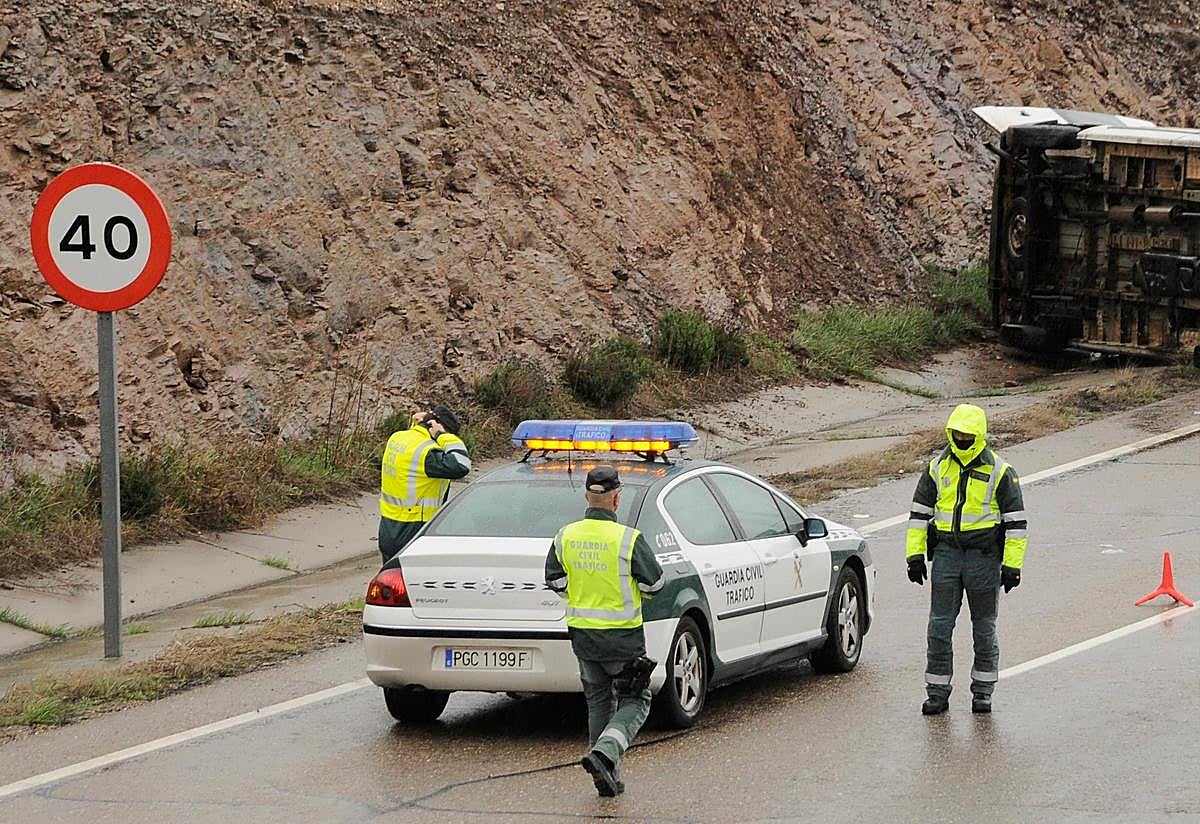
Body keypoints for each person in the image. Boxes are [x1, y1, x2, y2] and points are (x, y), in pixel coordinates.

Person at [544, 466, 665, 797]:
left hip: (583, 638)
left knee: (598, 702)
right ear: (617, 498)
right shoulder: (628, 539)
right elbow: (655, 583)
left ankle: (606, 773)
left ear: (586, 496)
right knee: (637, 700)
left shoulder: (565, 536)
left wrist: (581, 594)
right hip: (622, 638)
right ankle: (605, 754)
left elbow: (554, 579)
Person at [905, 403, 1027, 715]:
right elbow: (919, 515)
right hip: (946, 556)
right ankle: (937, 692)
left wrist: (1012, 565)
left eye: (967, 434)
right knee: (939, 628)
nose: (961, 438)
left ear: (979, 435)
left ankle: (983, 693)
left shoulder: (1000, 471)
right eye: (956, 432)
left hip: (984, 559)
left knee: (983, 629)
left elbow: (1016, 524)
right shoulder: (937, 468)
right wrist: (914, 556)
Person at [377, 404, 471, 564]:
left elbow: (416, 436)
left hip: (389, 526)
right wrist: (442, 435)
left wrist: (426, 420)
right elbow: (461, 465)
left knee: (390, 581)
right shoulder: (428, 453)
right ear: (435, 427)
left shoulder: (398, 437)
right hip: (414, 529)